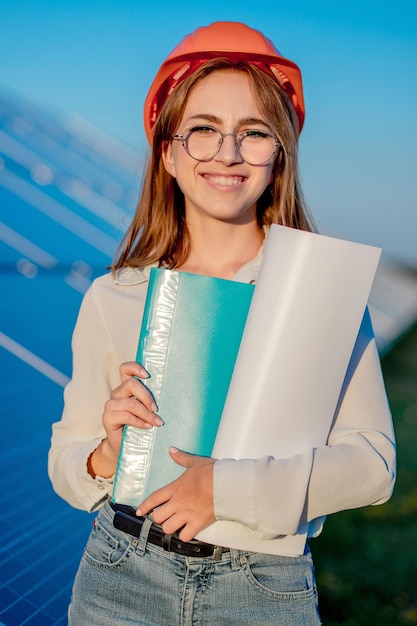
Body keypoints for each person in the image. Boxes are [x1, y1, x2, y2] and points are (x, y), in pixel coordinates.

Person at [48, 21, 396, 626]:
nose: (228, 153)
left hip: (261, 587)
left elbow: (373, 466)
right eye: (203, 130)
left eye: (253, 134)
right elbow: (66, 460)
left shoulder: (324, 295)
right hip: (118, 576)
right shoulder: (116, 295)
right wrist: (107, 451)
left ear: (278, 156)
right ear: (169, 152)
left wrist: (226, 490)